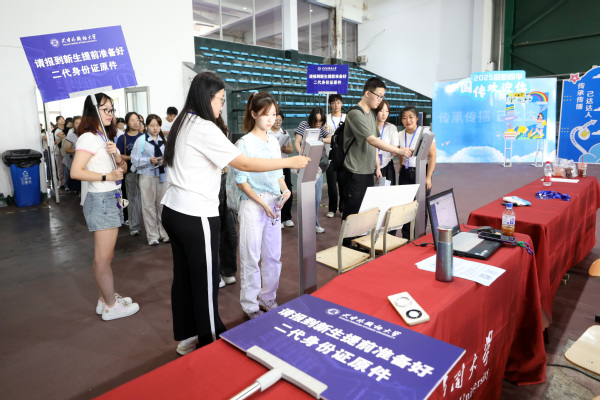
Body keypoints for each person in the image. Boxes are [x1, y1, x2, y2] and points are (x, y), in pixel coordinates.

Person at [160, 72, 309, 354]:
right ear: (207, 98)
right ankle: (210, 339)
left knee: (185, 277)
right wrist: (288, 161)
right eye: (220, 99)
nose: (221, 105)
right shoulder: (204, 127)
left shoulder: (183, 121)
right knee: (205, 280)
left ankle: (190, 334)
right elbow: (244, 165)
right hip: (195, 212)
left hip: (174, 208)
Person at [70, 93, 140, 321]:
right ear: (94, 111)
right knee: (103, 258)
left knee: (105, 256)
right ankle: (111, 306)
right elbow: (76, 172)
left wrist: (117, 157)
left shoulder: (105, 137)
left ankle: (104, 299)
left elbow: (122, 170)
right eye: (105, 109)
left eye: (111, 109)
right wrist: (106, 176)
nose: (110, 114)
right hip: (100, 199)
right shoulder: (88, 138)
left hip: (110, 197)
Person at [340, 78, 412, 227]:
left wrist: (377, 167)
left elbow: (374, 145)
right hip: (354, 171)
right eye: (378, 96)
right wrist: (398, 150)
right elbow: (372, 140)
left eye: (382, 96)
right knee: (352, 214)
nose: (380, 100)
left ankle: (360, 240)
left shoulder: (371, 114)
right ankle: (347, 241)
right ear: (368, 93)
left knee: (364, 213)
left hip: (367, 171)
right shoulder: (355, 114)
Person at [398, 105, 437, 239]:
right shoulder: (400, 135)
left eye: (411, 117)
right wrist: (401, 166)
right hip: (405, 173)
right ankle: (406, 236)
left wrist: (428, 177)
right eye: (404, 118)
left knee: (421, 205)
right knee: (405, 205)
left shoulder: (425, 134)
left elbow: (432, 156)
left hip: (421, 172)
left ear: (417, 118)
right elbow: (400, 153)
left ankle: (420, 235)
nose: (408, 120)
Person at [131, 114, 169, 246]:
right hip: (147, 175)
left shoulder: (164, 140)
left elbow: (169, 156)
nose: (155, 128)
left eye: (158, 125)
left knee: (162, 205)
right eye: (152, 125)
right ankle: (152, 236)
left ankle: (165, 233)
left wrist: (165, 160)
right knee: (148, 206)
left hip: (162, 175)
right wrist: (149, 160)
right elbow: (134, 159)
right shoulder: (141, 140)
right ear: (147, 126)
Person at [294, 107, 331, 233]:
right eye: (316, 121)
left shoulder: (320, 129)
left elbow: (330, 138)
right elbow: (297, 142)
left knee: (317, 198)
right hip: (305, 165)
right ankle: (306, 224)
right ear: (311, 118)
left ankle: (314, 223)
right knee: (306, 197)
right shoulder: (304, 125)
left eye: (321, 121)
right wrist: (302, 156)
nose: (318, 123)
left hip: (318, 167)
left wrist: (320, 139)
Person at [116, 112, 144, 236]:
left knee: (145, 199)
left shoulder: (144, 137)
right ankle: (134, 226)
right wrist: (133, 157)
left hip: (144, 170)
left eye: (137, 120)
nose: (135, 122)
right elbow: (118, 155)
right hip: (130, 171)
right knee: (132, 198)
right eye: (132, 120)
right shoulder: (123, 138)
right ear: (127, 122)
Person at [268, 111, 294, 227]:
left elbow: (291, 149)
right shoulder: (267, 133)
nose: (278, 122)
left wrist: (284, 149)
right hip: (273, 165)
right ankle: (277, 216)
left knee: (287, 189)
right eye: (276, 120)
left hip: (284, 164)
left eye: (280, 120)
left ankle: (286, 217)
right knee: (276, 191)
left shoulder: (284, 133)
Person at [325, 94, 346, 218]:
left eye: (338, 102)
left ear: (342, 103)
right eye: (333, 103)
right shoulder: (326, 119)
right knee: (332, 185)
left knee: (343, 184)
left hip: (343, 156)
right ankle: (332, 209)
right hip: (330, 156)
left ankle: (342, 208)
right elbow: (323, 136)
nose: (336, 105)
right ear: (330, 105)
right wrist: (325, 132)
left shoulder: (347, 118)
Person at [375, 100, 399, 185]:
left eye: (386, 111)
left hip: (387, 165)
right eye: (381, 111)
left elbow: (395, 151)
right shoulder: (370, 127)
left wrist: (399, 151)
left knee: (388, 191)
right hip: (370, 166)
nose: (384, 114)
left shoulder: (391, 128)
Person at [64, 116, 82, 193]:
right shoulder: (71, 136)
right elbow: (67, 149)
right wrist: (78, 151)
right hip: (75, 160)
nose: (79, 125)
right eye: (77, 123)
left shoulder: (88, 134)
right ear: (73, 125)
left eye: (80, 123)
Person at [52, 115, 66, 188]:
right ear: (57, 122)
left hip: (66, 151)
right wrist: (63, 137)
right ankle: (61, 183)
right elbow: (56, 142)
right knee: (60, 168)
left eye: (63, 119)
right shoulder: (56, 131)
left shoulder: (66, 129)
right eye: (60, 119)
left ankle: (66, 183)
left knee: (66, 168)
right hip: (58, 152)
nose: (62, 120)